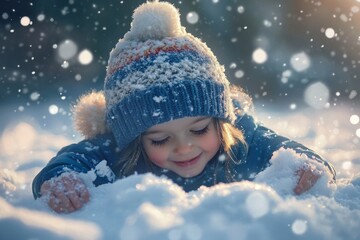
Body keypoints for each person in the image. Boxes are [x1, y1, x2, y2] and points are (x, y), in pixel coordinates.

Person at [32, 1, 336, 213]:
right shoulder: (118, 152)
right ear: (134, 138)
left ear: (220, 121)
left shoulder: (242, 140)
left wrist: (305, 167)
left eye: (200, 129)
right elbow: (69, 162)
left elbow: (293, 155)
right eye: (161, 139)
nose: (184, 147)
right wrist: (61, 180)